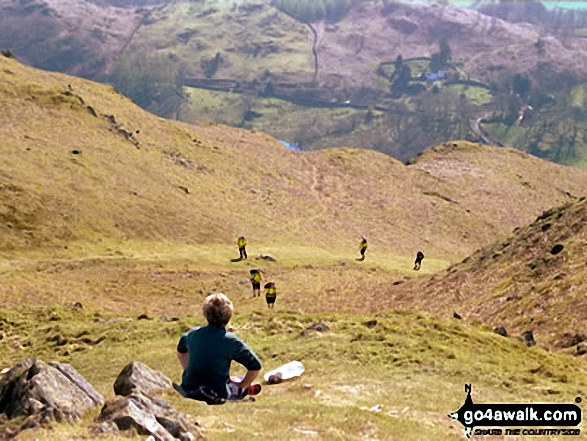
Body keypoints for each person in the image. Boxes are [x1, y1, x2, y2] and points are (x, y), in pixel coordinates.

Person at [174, 293, 262, 405]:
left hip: (189, 388)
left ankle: (239, 387)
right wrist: (242, 385)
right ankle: (242, 389)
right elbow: (255, 367)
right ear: (229, 315)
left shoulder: (192, 335)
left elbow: (181, 351)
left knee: (226, 379)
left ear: (205, 314)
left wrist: (188, 370)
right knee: (234, 381)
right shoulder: (231, 341)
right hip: (218, 392)